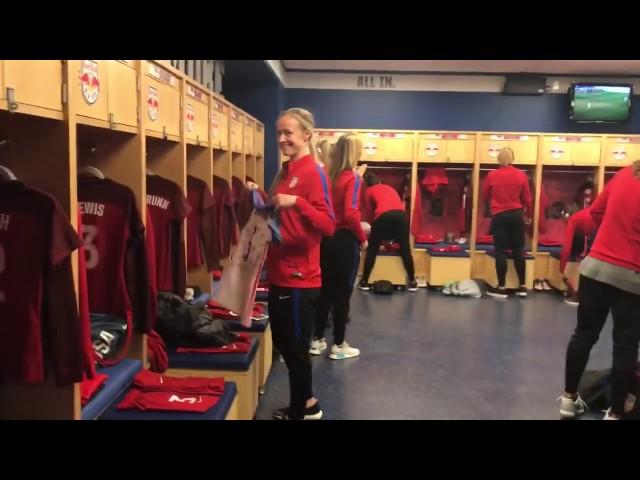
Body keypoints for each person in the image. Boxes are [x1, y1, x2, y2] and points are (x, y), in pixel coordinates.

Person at [267, 108, 335, 420]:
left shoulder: (313, 172)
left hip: (300, 278)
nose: (282, 139)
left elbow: (328, 224)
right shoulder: (285, 171)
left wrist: (298, 202)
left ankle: (301, 413)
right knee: (283, 343)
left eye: (288, 133)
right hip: (279, 272)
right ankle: (307, 402)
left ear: (306, 135)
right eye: (279, 133)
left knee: (296, 350)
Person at [559, 160, 640, 420]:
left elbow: (593, 215)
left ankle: (569, 400)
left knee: (583, 335)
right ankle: (616, 412)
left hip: (595, 267)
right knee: (625, 345)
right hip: (632, 275)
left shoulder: (625, 173)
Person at [311, 133, 367, 360]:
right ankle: (340, 344)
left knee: (325, 291)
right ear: (353, 153)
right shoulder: (351, 178)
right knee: (343, 293)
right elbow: (351, 212)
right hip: (344, 240)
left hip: (326, 238)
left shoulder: (327, 176)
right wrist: (362, 237)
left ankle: (317, 340)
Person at [481, 147, 532, 299]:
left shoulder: (492, 175)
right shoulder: (521, 175)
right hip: (517, 214)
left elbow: (484, 196)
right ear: (512, 159)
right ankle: (522, 286)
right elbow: (527, 199)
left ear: (498, 159)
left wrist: (490, 206)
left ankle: (501, 287)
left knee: (500, 251)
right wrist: (528, 215)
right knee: (518, 250)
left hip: (499, 215)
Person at [358, 172, 417, 291]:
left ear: (367, 185)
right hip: (401, 216)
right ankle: (412, 281)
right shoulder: (389, 187)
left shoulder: (368, 191)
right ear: (379, 181)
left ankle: (364, 281)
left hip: (383, 216)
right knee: (405, 248)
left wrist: (372, 230)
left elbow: (370, 214)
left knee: (372, 248)